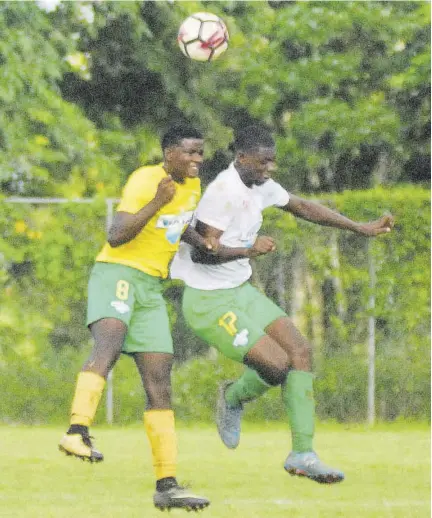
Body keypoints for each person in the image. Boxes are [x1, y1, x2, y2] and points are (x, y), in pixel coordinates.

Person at [171, 124, 394, 484]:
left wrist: (360, 227)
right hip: (208, 302)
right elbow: (201, 255)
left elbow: (303, 207)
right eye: (263, 162)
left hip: (240, 290)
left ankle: (303, 454)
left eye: (272, 162)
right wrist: (249, 249)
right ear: (241, 158)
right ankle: (233, 396)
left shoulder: (261, 186)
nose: (269, 169)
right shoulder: (222, 193)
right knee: (276, 367)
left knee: (300, 352)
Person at [59, 124, 214, 512]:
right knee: (107, 344)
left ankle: (167, 485)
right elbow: (116, 235)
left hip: (151, 288)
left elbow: (175, 228)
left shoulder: (193, 188)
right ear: (167, 153)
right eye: (188, 152)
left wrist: (205, 241)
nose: (196, 159)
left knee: (160, 380)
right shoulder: (147, 179)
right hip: (118, 273)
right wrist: (157, 202)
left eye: (200, 153)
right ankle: (77, 431)